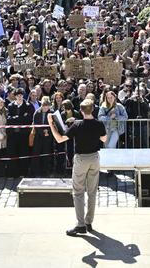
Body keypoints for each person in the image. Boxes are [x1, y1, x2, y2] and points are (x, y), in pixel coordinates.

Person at [48, 98, 106, 236]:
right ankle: (88, 222)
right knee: (92, 192)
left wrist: (51, 124)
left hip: (81, 159)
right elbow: (104, 139)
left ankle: (80, 225)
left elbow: (60, 139)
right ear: (93, 109)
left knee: (78, 192)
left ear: (81, 111)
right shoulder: (99, 124)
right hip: (94, 158)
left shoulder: (77, 125)